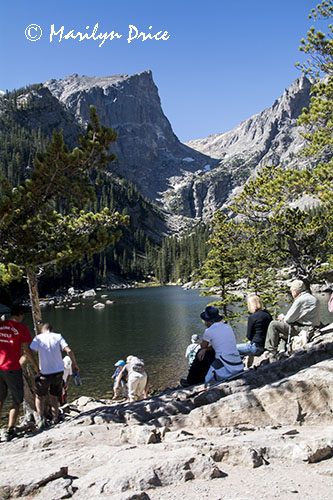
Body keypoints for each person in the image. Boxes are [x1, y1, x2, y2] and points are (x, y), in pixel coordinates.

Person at [0, 305, 39, 441]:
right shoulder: (21, 329)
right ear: (21, 315)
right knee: (17, 399)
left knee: (1, 398)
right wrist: (35, 366)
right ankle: (10, 430)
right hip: (12, 368)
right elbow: (27, 351)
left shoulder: (1, 325)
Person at [30, 323, 79, 428]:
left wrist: (34, 365)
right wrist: (74, 364)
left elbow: (30, 351)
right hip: (58, 372)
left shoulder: (38, 338)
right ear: (51, 330)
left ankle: (41, 419)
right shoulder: (58, 336)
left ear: (42, 331)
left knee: (39, 396)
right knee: (54, 397)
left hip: (44, 372)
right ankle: (55, 418)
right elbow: (69, 351)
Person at [264, 279, 321, 357]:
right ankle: (282, 350)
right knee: (283, 329)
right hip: (313, 327)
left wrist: (282, 317)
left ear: (295, 291)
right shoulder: (313, 298)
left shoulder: (300, 300)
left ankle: (271, 350)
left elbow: (288, 319)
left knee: (274, 324)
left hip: (304, 329)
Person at [198, 306, 244, 384]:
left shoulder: (209, 331)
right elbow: (219, 344)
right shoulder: (228, 327)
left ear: (208, 321)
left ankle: (191, 380)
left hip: (224, 361)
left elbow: (203, 347)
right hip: (237, 362)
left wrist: (205, 349)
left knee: (208, 379)